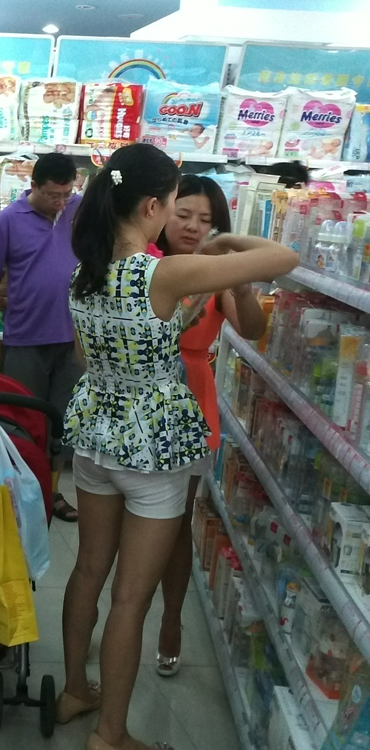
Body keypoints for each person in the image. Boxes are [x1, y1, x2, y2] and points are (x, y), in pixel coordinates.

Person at [57, 143, 298, 750]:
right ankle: (111, 734)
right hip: (153, 449)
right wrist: (225, 242)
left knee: (87, 569)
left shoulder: (83, 272)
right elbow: (285, 257)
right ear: (151, 206)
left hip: (95, 437)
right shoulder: (163, 274)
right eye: (172, 205)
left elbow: (85, 357)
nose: (177, 218)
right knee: (130, 600)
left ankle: (74, 689)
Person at [151, 175, 268, 678]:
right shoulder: (140, 262)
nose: (194, 227)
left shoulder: (217, 274)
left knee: (177, 522)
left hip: (190, 401)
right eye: (184, 215)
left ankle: (170, 620)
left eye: (206, 220)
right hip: (137, 396)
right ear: (160, 212)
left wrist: (240, 283)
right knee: (128, 522)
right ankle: (122, 612)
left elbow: (254, 329)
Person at [0, 152, 82, 522]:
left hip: (72, 340)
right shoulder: (9, 219)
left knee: (62, 423)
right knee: (21, 421)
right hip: (24, 338)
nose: (61, 202)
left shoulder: (78, 210)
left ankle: (52, 492)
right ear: (33, 185)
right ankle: (17, 493)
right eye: (53, 194)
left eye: (67, 193)